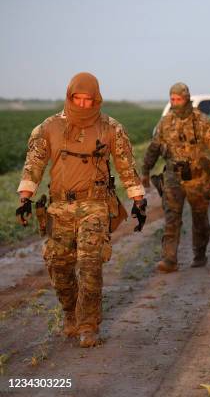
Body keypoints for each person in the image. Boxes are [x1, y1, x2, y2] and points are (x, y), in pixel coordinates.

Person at [16, 72, 146, 347]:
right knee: (58, 266)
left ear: (97, 98)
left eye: (90, 99)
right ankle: (70, 313)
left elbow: (125, 165)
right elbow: (34, 163)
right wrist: (25, 198)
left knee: (90, 265)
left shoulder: (111, 128)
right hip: (59, 206)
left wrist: (138, 199)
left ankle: (89, 325)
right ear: (70, 96)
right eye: (79, 98)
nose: (85, 104)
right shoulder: (49, 127)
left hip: (95, 205)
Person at [142, 83, 210, 272]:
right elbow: (154, 148)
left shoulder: (201, 120)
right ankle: (169, 260)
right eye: (172, 99)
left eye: (179, 99)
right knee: (171, 218)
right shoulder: (165, 122)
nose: (175, 103)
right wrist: (145, 170)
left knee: (200, 218)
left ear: (186, 99)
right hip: (173, 177)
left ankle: (200, 253)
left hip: (198, 178)